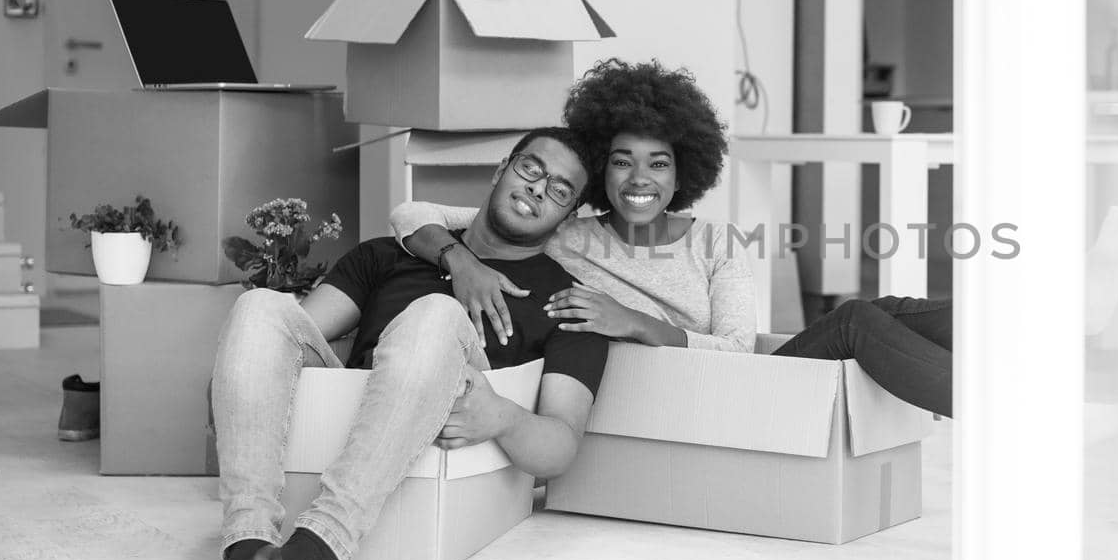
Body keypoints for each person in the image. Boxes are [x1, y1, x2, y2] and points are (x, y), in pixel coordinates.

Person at [389, 59, 957, 417]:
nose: (640, 180)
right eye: (621, 162)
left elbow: (739, 349)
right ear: (599, 173)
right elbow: (411, 211)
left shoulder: (716, 242)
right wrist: (460, 261)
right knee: (858, 320)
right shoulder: (563, 233)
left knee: (890, 311)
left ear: (683, 172)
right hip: (703, 405)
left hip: (742, 385)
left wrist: (635, 321)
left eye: (658, 164)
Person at [197, 128, 609, 560]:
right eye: (531, 169)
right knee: (260, 306)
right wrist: (241, 369)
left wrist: (503, 417)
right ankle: (247, 548)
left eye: (560, 190)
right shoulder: (388, 254)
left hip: (446, 420)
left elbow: (561, 446)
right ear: (503, 169)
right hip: (354, 401)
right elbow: (292, 335)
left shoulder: (568, 303)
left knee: (435, 313)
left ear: (570, 215)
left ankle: (316, 548)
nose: (539, 189)